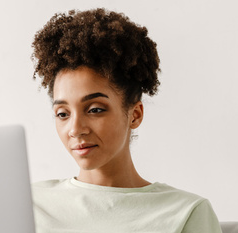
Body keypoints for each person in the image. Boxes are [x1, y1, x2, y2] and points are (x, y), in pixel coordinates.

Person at [30, 8, 222, 233]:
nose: (75, 129)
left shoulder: (185, 213)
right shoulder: (30, 204)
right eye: (63, 114)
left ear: (135, 114)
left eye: (94, 109)